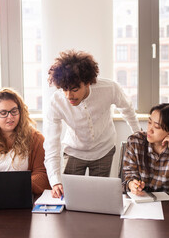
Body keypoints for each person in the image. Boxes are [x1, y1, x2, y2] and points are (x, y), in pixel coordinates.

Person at [44, 50, 141, 198]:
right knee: (72, 198)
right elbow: (51, 143)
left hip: (104, 150)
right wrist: (55, 180)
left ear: (88, 82)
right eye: (65, 89)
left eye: (75, 89)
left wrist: (138, 135)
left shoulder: (109, 88)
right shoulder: (56, 102)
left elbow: (127, 109)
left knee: (99, 198)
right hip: (74, 152)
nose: (69, 96)